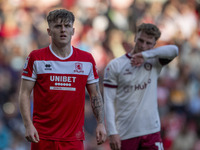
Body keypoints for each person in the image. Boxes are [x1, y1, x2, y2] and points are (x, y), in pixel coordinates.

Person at [18, 9, 107, 150]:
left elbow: (95, 94)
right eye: (58, 26)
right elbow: (24, 93)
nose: (63, 30)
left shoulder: (86, 59)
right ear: (49, 31)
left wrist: (100, 123)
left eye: (67, 26)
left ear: (73, 30)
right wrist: (28, 125)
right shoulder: (36, 58)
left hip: (73, 138)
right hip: (42, 136)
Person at [103, 23, 178, 150]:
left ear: (154, 45)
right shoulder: (115, 65)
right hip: (126, 132)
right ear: (135, 38)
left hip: (151, 131)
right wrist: (112, 131)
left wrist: (145, 55)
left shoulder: (154, 62)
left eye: (148, 43)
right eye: (141, 40)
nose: (143, 46)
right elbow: (109, 101)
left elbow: (174, 50)